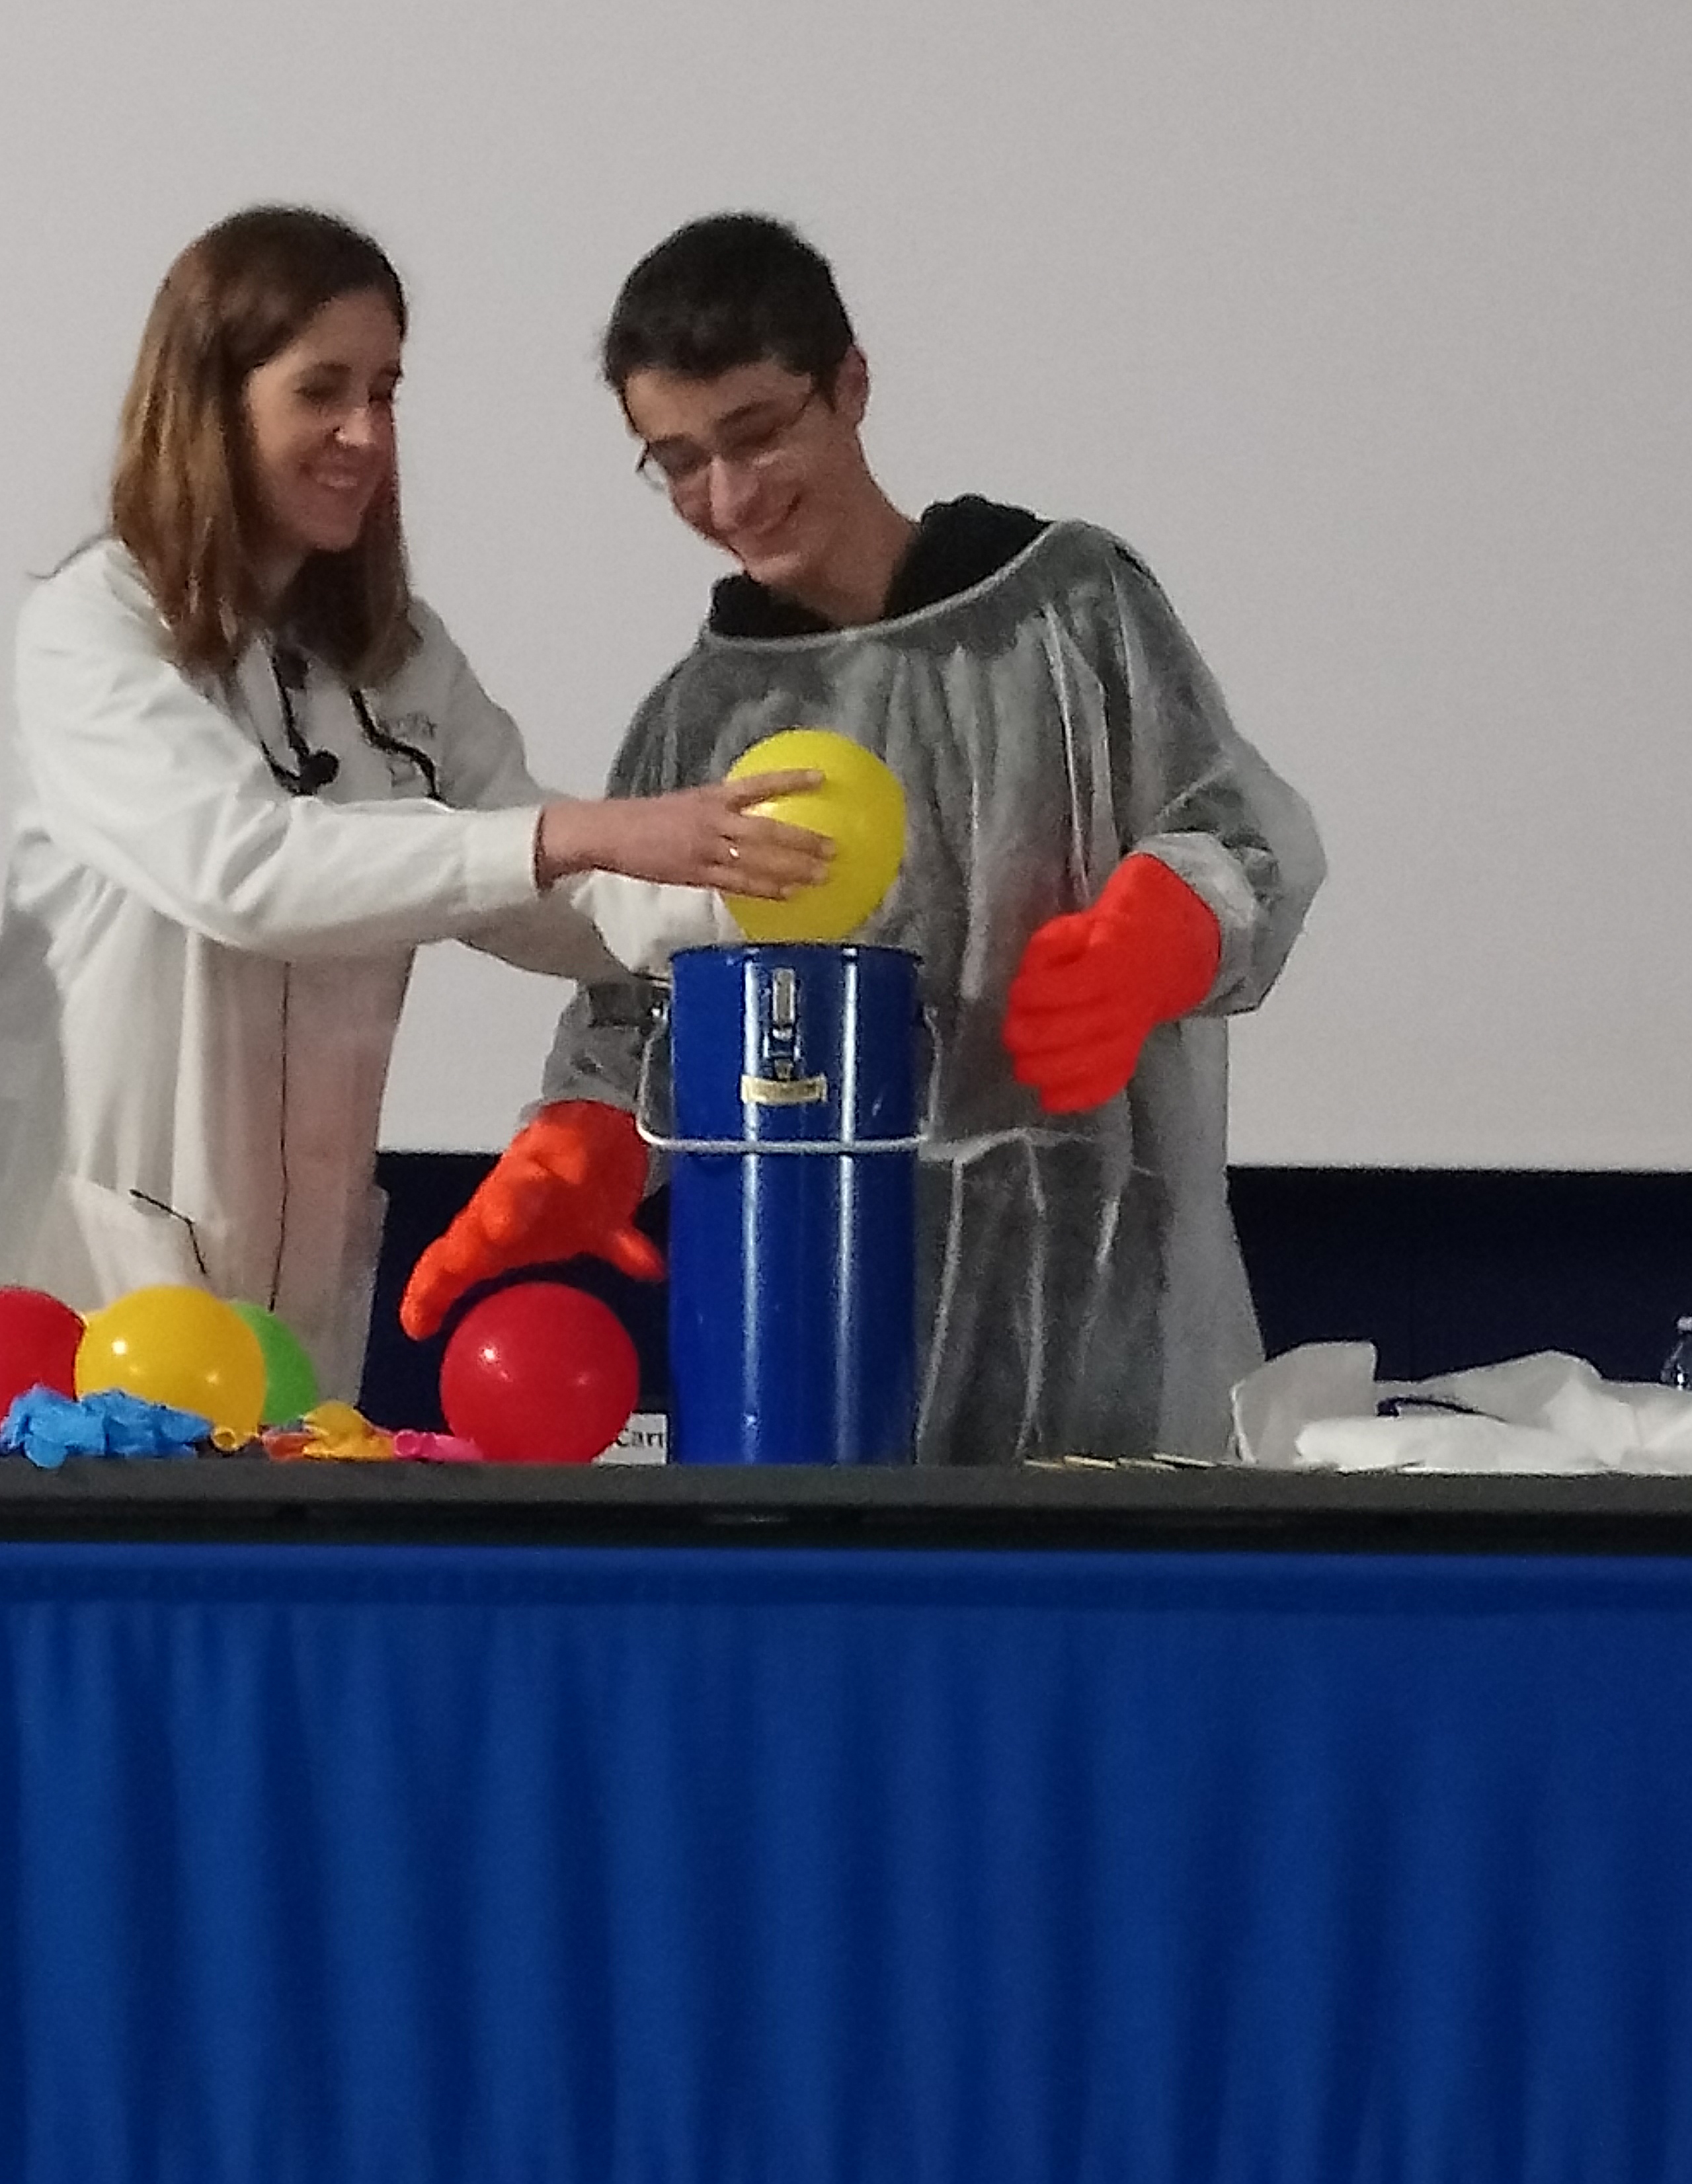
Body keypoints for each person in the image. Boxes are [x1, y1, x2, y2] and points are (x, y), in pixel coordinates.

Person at [402, 213, 1326, 1464]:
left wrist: (1166, 925)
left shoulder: (1063, 608)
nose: (728, 497)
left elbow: (1239, 833)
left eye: (757, 433)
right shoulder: (700, 718)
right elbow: (638, 999)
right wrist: (591, 1129)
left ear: (850, 384)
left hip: (1103, 1313)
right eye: (677, 460)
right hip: (808, 1337)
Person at [0, 206, 829, 1428]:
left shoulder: (399, 659)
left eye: (386, 392)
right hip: (78, 1312)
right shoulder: (97, 627)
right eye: (322, 391)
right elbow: (249, 873)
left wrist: (760, 898)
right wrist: (587, 832)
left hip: (287, 1332)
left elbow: (548, 899)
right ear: (212, 399)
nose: (366, 434)